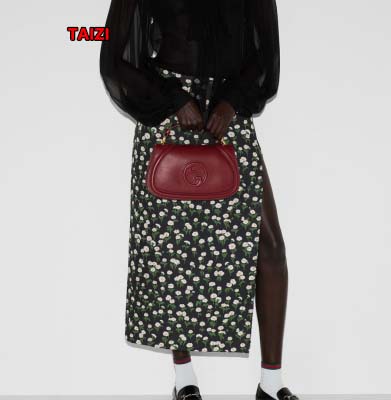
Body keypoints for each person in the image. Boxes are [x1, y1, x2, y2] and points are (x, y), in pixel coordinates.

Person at [99, 1, 299, 399]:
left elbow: (266, 52)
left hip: (227, 114)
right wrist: (172, 98)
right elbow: (113, 57)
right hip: (167, 114)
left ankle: (271, 384)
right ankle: (184, 380)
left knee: (269, 246)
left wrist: (233, 100)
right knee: (174, 251)